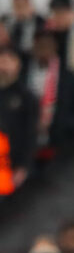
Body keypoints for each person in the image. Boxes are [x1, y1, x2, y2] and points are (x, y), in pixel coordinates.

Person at [0, 45, 38, 195]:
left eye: (8, 61)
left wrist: (23, 165)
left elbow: (30, 133)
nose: (3, 65)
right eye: (1, 60)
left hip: (9, 163)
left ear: (18, 65)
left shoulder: (26, 97)